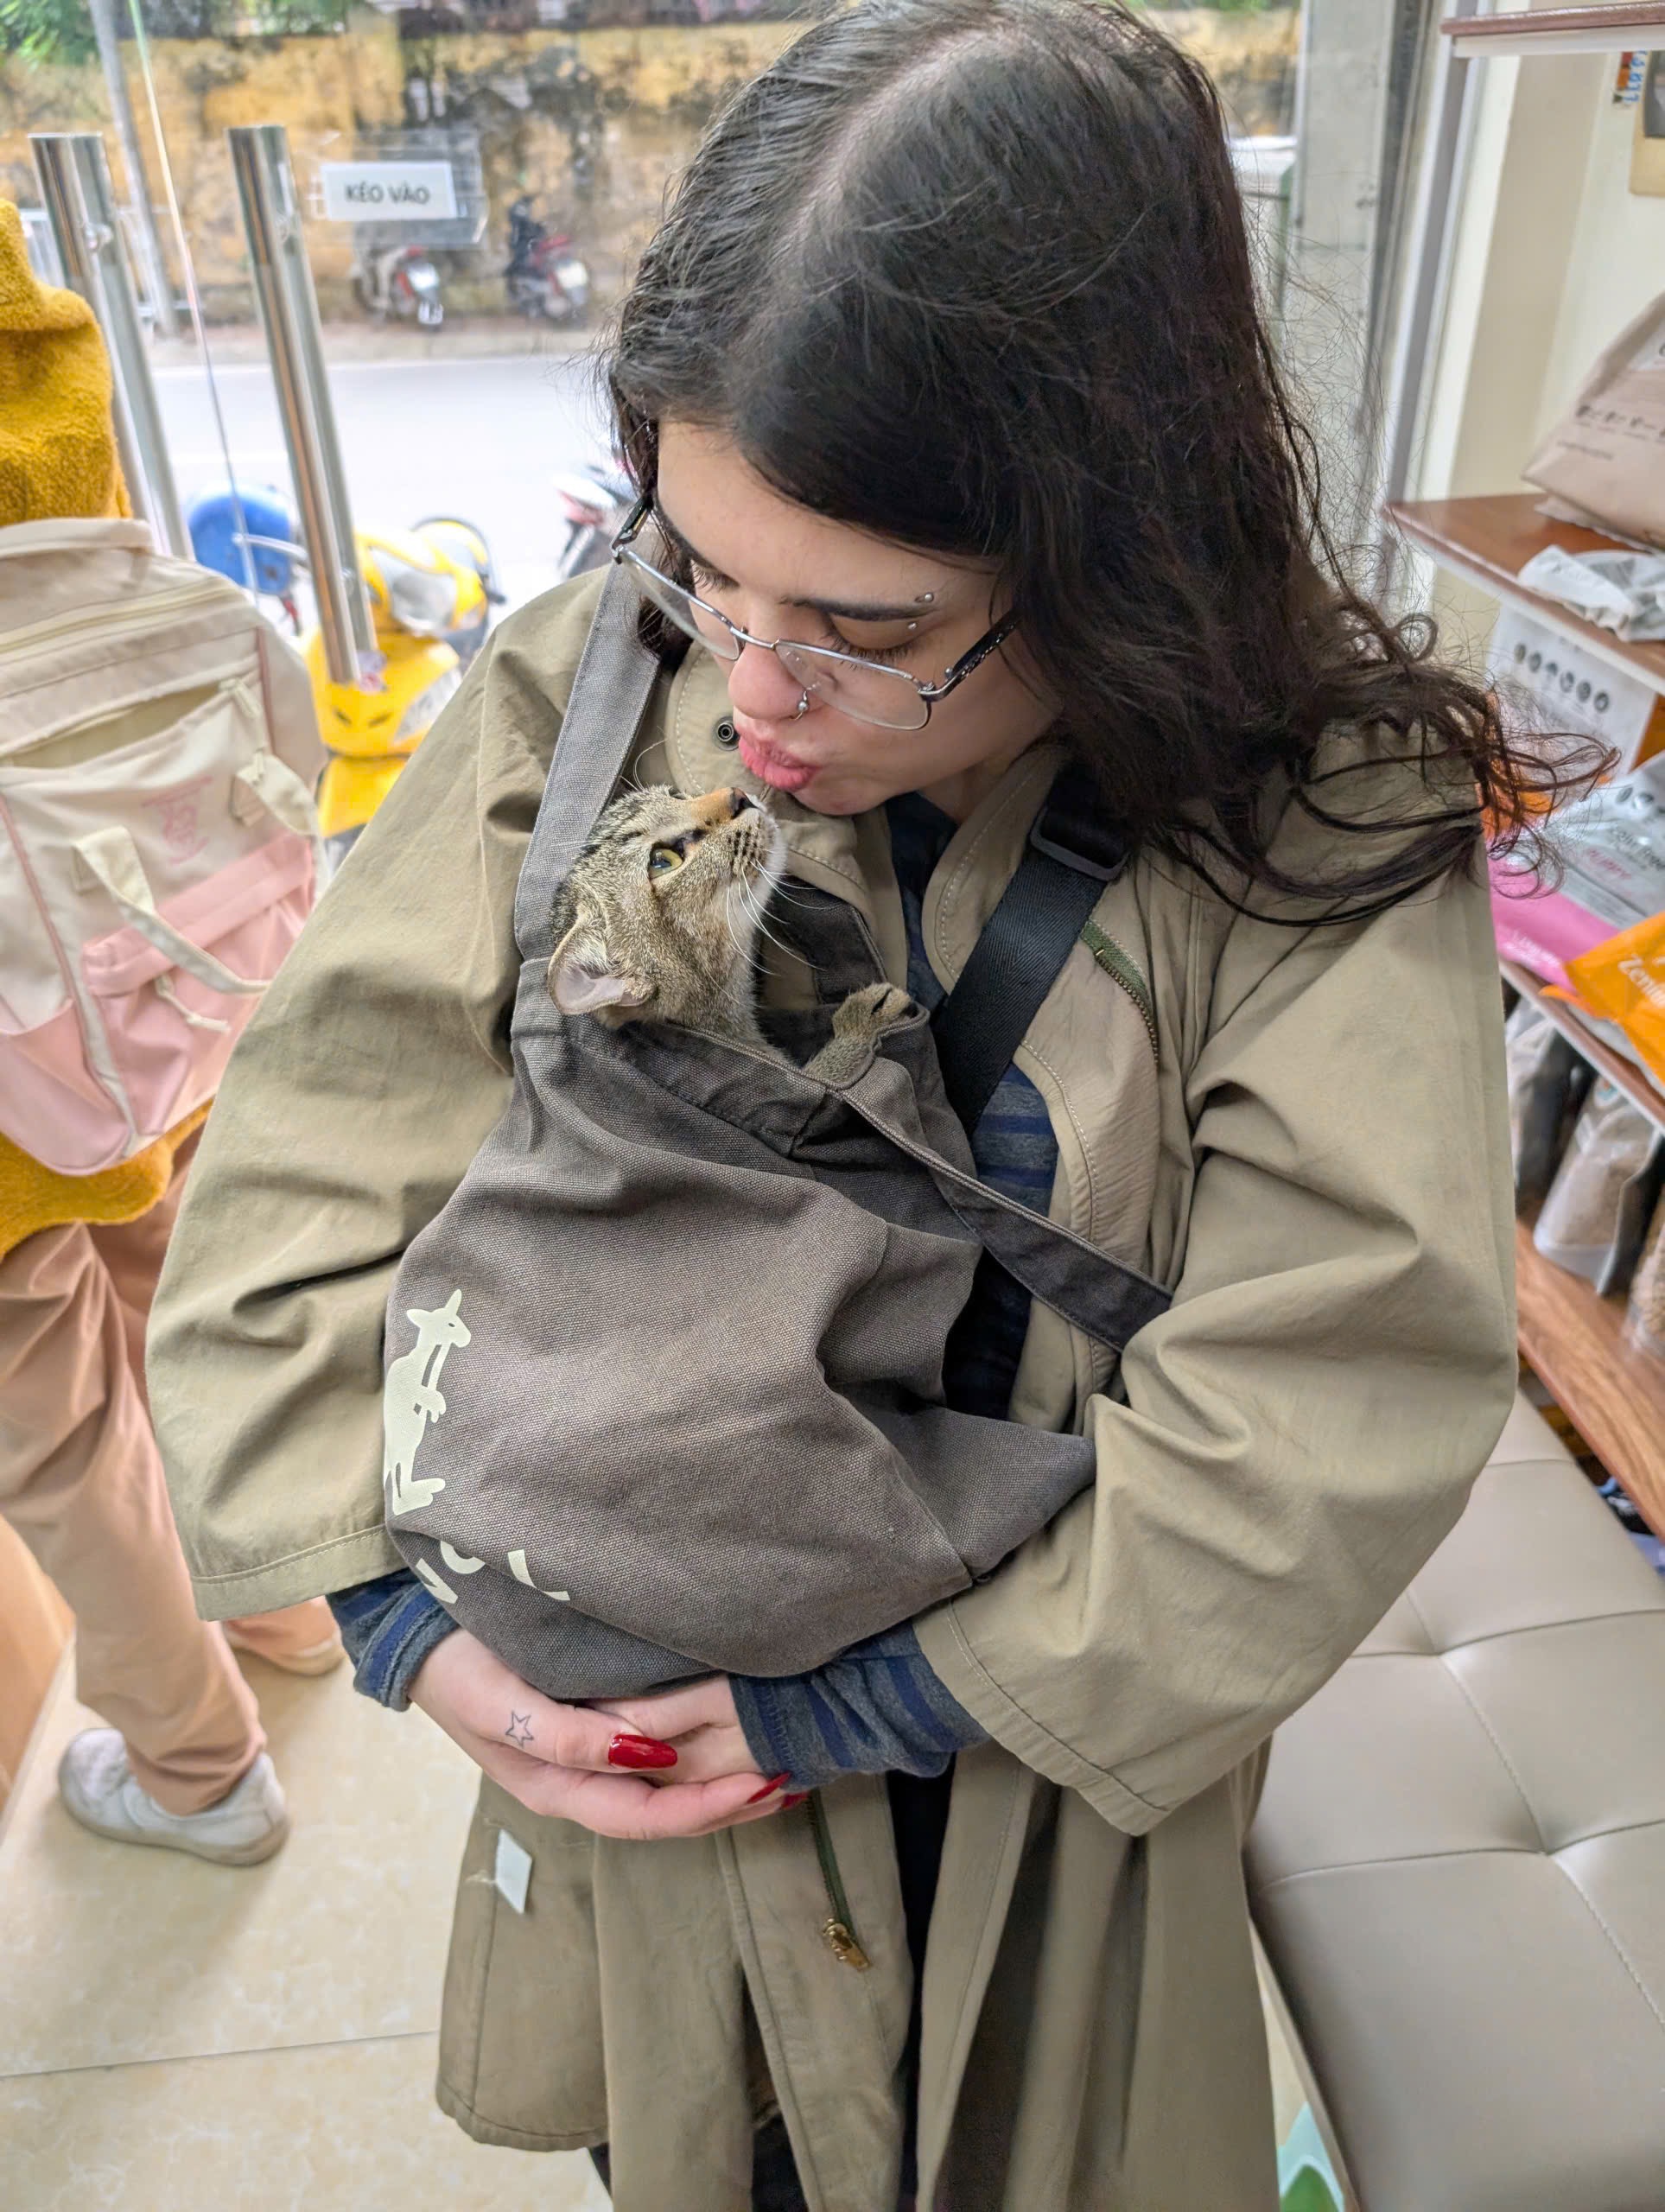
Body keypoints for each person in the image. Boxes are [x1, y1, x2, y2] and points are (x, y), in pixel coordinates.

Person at [149, 1, 1570, 2200]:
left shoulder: (1314, 816)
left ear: (1112, 549)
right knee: (685, 2134)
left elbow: (1336, 1392)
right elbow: (307, 1172)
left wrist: (877, 1699)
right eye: (702, 568)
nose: (755, 691)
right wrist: (402, 1624)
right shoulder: (587, 676)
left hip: (1027, 1756)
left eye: (863, 623)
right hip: (630, 1743)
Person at [0, 197, 340, 1870]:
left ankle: (202, 1775)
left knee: (57, 1429)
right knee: (172, 1296)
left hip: (19, 1025)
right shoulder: (31, 325)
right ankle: (288, 1599)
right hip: (138, 951)